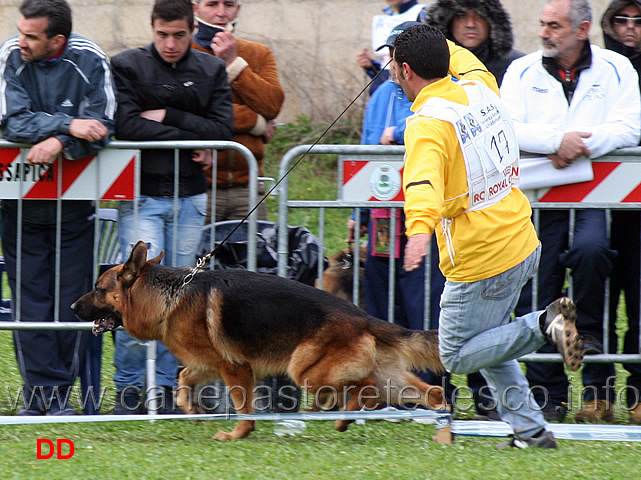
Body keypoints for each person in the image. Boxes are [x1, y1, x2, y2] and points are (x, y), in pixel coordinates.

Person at [394, 23, 584, 448]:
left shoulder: (426, 122)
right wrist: (430, 40)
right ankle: (532, 433)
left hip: (479, 258)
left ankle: (544, 323)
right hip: (519, 237)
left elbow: (421, 182)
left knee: (456, 354)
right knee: (491, 342)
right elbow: (463, 58)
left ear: (406, 70)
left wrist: (419, 231)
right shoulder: (481, 85)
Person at [501, 0, 640, 423]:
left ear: (582, 29)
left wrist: (580, 146)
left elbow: (631, 125)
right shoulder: (521, 71)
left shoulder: (616, 67)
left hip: (595, 196)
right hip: (538, 197)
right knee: (539, 294)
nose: (545, 32)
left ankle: (596, 375)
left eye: (555, 26)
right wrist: (556, 140)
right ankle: (549, 396)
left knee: (592, 253)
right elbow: (506, 125)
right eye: (543, 24)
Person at [109, 0, 233, 414]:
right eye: (162, 34)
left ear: (190, 30)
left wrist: (167, 113)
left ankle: (166, 391)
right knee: (131, 297)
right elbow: (125, 124)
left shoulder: (211, 69)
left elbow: (222, 129)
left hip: (191, 198)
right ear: (152, 28)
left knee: (178, 305)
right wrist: (187, 134)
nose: (171, 43)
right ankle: (127, 392)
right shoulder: (127, 66)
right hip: (141, 195)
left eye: (179, 35)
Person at [0, 0, 115, 415]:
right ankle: (38, 398)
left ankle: (62, 398)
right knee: (29, 304)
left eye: (32, 36)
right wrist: (66, 127)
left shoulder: (91, 59)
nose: (21, 41)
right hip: (18, 210)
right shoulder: (9, 56)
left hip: (74, 208)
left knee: (74, 302)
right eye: (20, 31)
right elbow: (11, 122)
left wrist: (59, 143)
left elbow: (102, 126)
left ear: (58, 40)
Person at [192, 0, 284, 222]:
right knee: (197, 256)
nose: (221, 13)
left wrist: (233, 63)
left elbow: (272, 105)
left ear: (238, 9)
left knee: (254, 254)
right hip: (198, 186)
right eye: (212, 4)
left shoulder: (258, 52)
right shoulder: (183, 52)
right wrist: (256, 122)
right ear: (196, 8)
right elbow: (190, 113)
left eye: (229, 5)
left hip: (249, 187)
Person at [601, 0, 641, 425]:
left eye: (638, 20)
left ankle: (637, 394)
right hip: (593, 202)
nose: (629, 28)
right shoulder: (604, 68)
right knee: (598, 300)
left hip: (637, 207)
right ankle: (597, 393)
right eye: (621, 20)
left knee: (639, 299)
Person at [424, 0, 524, 86]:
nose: (470, 24)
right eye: (461, 16)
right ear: (448, 21)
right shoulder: (429, 64)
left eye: (479, 15)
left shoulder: (517, 66)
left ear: (493, 21)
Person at [356, 0, 429, 93]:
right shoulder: (386, 17)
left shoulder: (422, 15)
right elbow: (387, 71)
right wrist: (372, 66)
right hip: (385, 89)